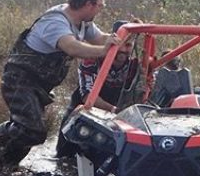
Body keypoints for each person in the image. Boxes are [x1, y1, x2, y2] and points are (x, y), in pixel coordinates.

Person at [0, 0, 120, 170]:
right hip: (20, 81)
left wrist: (123, 35)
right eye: (101, 5)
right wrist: (103, 51)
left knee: (27, 133)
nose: (101, 9)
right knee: (33, 131)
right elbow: (71, 47)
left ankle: (2, 167)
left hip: (38, 86)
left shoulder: (82, 22)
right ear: (89, 4)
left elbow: (100, 38)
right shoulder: (55, 22)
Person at [55, 20, 139, 157]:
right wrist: (115, 110)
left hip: (119, 102)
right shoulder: (92, 59)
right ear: (112, 41)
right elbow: (87, 95)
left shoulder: (137, 64)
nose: (124, 49)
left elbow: (146, 90)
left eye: (129, 45)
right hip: (89, 101)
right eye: (121, 44)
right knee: (66, 143)